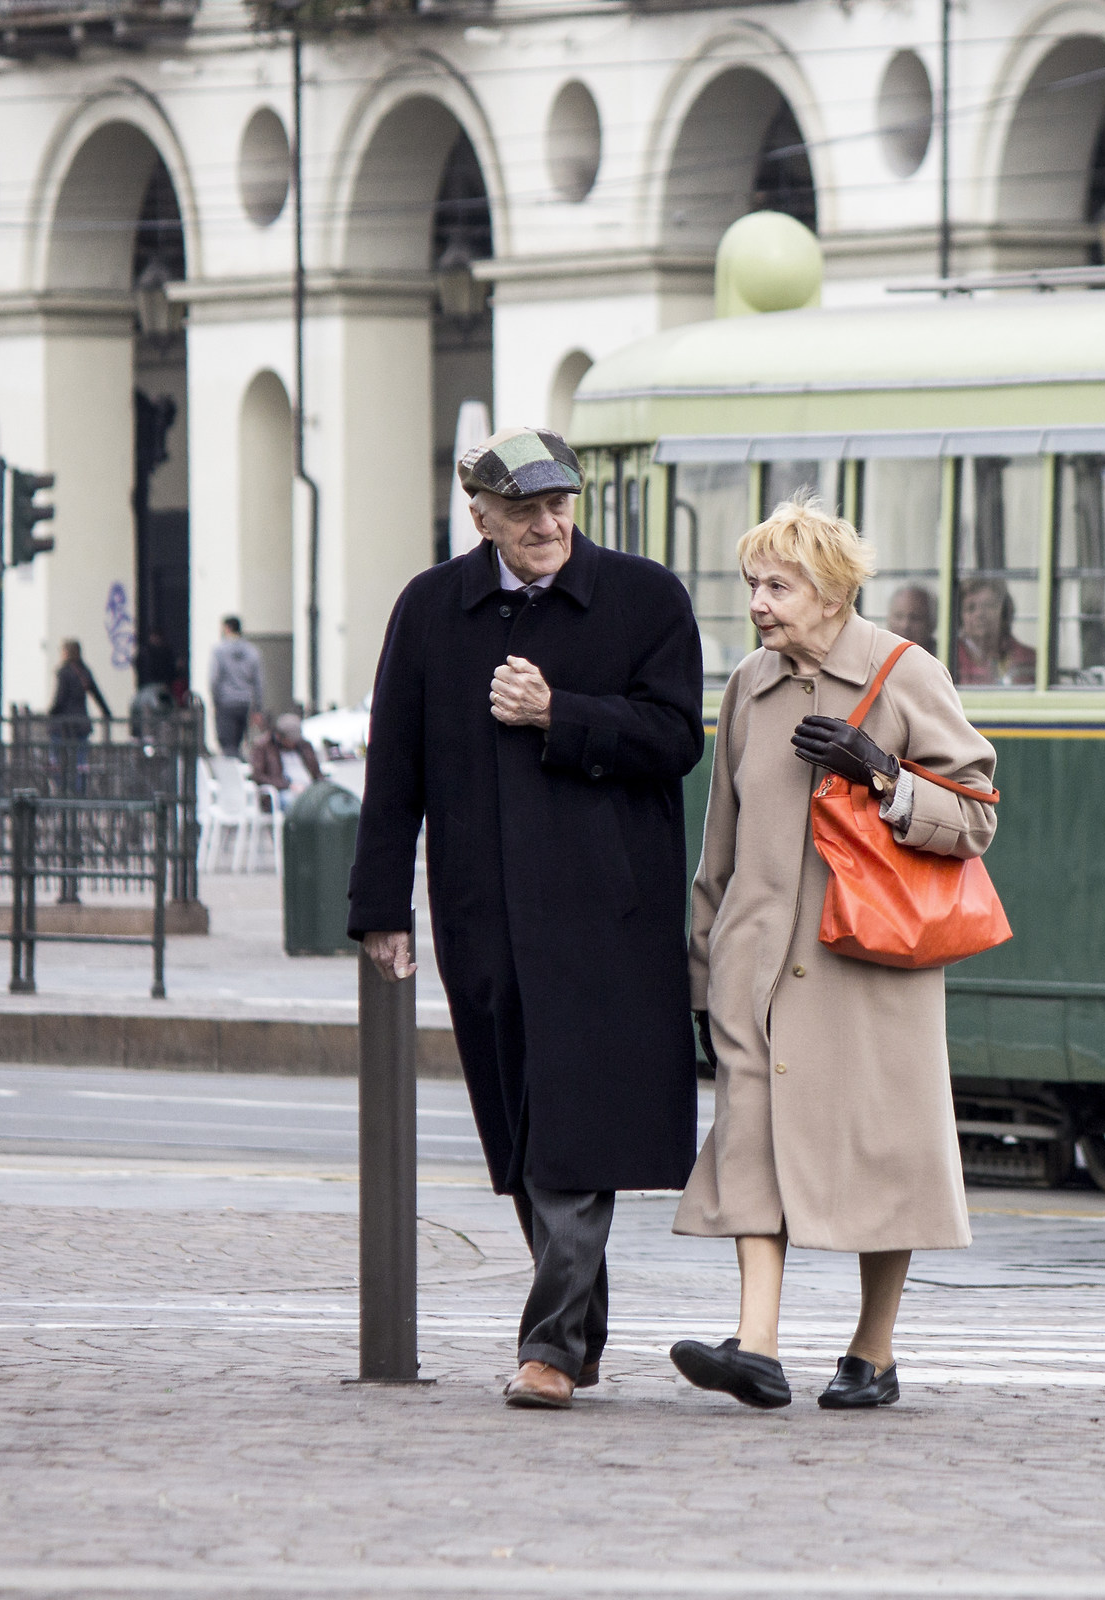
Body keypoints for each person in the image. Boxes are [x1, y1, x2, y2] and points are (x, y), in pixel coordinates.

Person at [348, 425, 706, 1411]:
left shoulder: (644, 598)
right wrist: (383, 906)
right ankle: (580, 1328)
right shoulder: (430, 611)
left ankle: (548, 1346)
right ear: (481, 517)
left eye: (561, 505)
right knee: (519, 1128)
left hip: (609, 913)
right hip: (484, 914)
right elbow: (396, 772)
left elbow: (678, 737)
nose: (549, 524)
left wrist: (562, 714)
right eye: (525, 510)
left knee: (576, 1132)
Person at [669, 491, 997, 1413]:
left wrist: (882, 774)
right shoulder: (747, 684)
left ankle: (873, 1351)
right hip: (757, 967)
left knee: (881, 1156)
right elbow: (718, 846)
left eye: (779, 584)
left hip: (868, 970)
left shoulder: (906, 672)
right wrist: (704, 970)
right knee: (752, 1146)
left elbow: (974, 817)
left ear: (831, 591)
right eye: (752, 585)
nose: (760, 603)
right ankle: (758, 1345)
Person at [954, 577, 1034, 685]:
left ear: (1005, 612)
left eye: (988, 606)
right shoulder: (949, 658)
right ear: (960, 617)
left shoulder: (1029, 658)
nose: (979, 614)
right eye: (970, 608)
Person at [209, 617, 263, 757]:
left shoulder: (219, 650)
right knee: (242, 742)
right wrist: (258, 708)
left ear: (227, 628)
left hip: (226, 702)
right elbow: (258, 681)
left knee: (227, 744)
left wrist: (215, 701)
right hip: (245, 702)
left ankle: (230, 774)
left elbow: (214, 678)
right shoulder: (252, 651)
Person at [247, 712, 323, 808]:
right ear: (279, 736)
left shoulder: (304, 746)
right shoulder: (264, 747)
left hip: (310, 789)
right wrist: (288, 785)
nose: (293, 743)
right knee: (293, 802)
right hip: (281, 792)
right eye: (290, 740)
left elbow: (317, 772)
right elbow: (257, 776)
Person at [48, 638, 112, 740]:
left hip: (64, 725)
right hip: (82, 723)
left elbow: (60, 699)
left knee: (61, 754)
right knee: (80, 753)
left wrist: (50, 714)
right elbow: (97, 694)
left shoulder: (64, 672)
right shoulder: (84, 671)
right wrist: (107, 713)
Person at [885, 583, 937, 650]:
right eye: (899, 616)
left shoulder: (942, 655)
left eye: (915, 618)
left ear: (931, 623)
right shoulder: (878, 653)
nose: (905, 625)